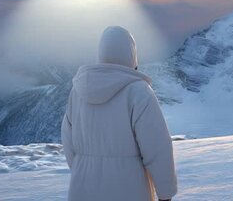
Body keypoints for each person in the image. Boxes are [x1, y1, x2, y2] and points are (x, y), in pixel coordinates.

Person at [62, 26, 177, 201]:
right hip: (129, 190)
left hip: (82, 190)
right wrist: (165, 194)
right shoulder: (139, 92)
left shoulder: (77, 92)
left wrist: (85, 168)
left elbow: (68, 143)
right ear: (132, 55)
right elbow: (157, 148)